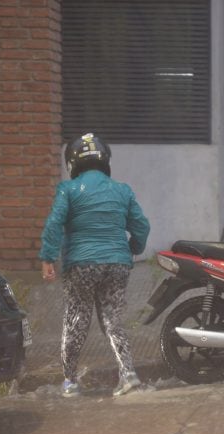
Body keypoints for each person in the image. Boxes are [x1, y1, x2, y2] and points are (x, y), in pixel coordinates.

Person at [39, 133, 150, 397]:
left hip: (81, 265)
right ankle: (128, 374)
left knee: (76, 320)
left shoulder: (68, 189)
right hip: (117, 265)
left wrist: (47, 258)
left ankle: (70, 383)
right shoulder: (122, 190)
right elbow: (141, 226)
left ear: (72, 162)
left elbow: (54, 223)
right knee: (113, 319)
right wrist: (132, 249)